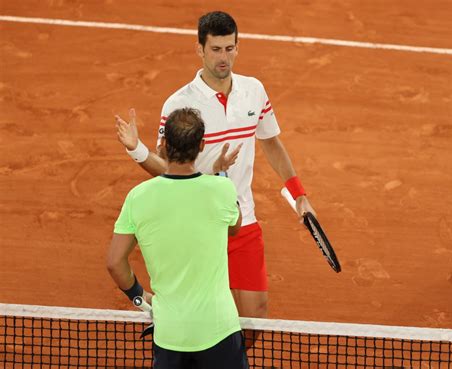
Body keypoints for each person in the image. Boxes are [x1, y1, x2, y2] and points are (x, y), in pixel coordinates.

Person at [115, 11, 316, 320]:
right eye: (216, 49)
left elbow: (272, 144)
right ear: (200, 50)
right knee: (199, 314)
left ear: (237, 46)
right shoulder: (178, 105)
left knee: (254, 318)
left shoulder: (254, 91)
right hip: (198, 220)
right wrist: (137, 150)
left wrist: (299, 193)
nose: (224, 57)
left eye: (230, 48)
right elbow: (168, 170)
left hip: (240, 218)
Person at [107, 107, 248, 369]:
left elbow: (115, 262)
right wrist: (220, 173)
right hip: (219, 330)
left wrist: (139, 298)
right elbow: (235, 227)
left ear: (163, 145)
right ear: (202, 145)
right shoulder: (221, 190)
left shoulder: (138, 197)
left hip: (170, 335)